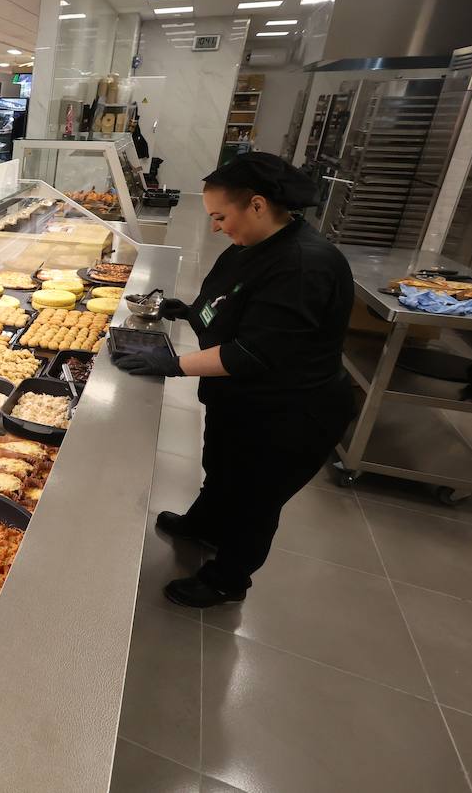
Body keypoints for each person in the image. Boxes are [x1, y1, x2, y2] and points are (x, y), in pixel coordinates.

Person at [113, 153, 355, 608]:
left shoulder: (305, 265)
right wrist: (187, 311)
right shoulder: (253, 245)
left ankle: (228, 579)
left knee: (255, 497)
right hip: (241, 401)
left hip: (290, 412)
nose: (216, 228)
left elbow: (253, 352)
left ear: (258, 205)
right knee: (223, 468)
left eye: (221, 216)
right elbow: (228, 303)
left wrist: (173, 365)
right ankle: (204, 525)